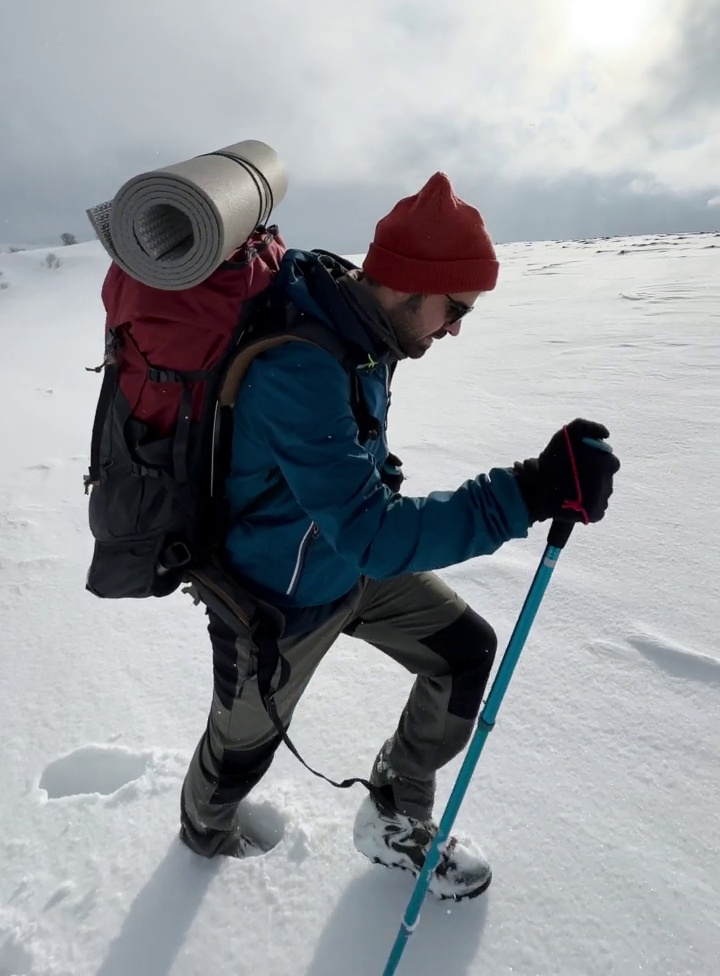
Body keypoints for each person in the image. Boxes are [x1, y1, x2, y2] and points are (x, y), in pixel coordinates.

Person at [180, 172, 620, 899]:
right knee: (239, 754)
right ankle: (203, 838)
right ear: (411, 284)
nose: (454, 328)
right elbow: (374, 535)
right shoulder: (301, 366)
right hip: (271, 603)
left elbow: (356, 503)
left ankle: (395, 811)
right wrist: (528, 491)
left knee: (464, 651)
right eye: (456, 310)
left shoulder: (365, 330)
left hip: (345, 566)